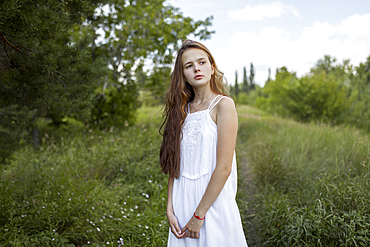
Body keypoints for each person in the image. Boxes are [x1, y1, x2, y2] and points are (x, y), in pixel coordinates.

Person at [160, 39, 248, 247]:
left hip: (212, 203)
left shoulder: (223, 105)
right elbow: (175, 164)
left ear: (212, 67)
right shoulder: (181, 111)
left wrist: (199, 216)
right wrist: (170, 208)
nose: (196, 68)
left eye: (202, 62)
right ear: (183, 75)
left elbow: (224, 167)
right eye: (189, 66)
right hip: (182, 202)